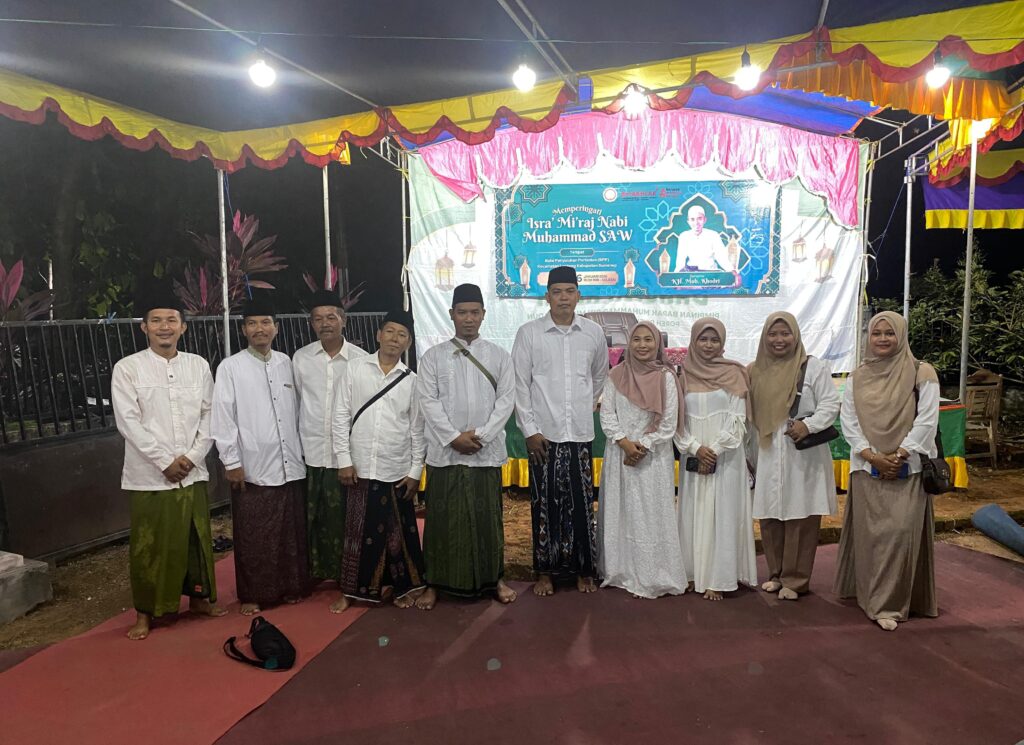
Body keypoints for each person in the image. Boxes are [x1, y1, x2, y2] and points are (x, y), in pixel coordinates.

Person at [111, 289, 226, 640]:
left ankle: (200, 600)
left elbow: (210, 414)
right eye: (157, 320)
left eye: (171, 320)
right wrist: (164, 461)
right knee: (150, 545)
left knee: (196, 539)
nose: (164, 327)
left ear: (183, 327)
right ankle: (146, 612)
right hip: (149, 476)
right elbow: (128, 422)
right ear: (144, 327)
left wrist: (191, 457)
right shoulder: (128, 368)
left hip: (192, 471)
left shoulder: (198, 365)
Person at [834, 311, 939, 631]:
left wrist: (900, 454)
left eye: (889, 333)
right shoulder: (857, 376)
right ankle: (869, 595)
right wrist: (872, 456)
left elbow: (927, 420)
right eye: (876, 333)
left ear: (901, 335)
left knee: (899, 536)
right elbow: (849, 422)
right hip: (867, 469)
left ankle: (889, 605)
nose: (882, 339)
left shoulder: (922, 372)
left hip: (909, 469)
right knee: (871, 538)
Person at [415, 284, 517, 609]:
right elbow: (427, 401)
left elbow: (507, 400)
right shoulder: (433, 357)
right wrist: (453, 437)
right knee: (441, 520)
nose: (469, 319)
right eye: (462, 312)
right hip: (445, 454)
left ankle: (494, 579)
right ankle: (434, 583)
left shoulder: (499, 356)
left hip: (485, 453)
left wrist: (482, 436)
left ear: (484, 314)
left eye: (474, 312)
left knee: (489, 520)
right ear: (452, 314)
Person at [211, 294, 311, 615]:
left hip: (290, 463)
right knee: (254, 535)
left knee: (288, 533)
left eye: (265, 322)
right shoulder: (231, 368)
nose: (259, 329)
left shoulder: (287, 364)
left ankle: (291, 587)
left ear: (276, 328)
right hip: (252, 466)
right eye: (252, 323)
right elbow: (222, 417)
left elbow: (299, 411)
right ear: (243, 330)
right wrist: (231, 461)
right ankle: (253, 594)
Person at [512, 265, 607, 596]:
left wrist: (586, 405)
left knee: (582, 504)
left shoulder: (593, 333)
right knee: (544, 506)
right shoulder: (529, 333)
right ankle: (545, 572)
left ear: (579, 295)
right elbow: (520, 384)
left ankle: (583, 570)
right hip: (543, 435)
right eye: (557, 292)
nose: (563, 298)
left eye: (569, 291)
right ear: (547, 296)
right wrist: (529, 430)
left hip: (579, 433)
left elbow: (599, 376)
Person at [332, 310, 426, 611]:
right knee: (357, 533)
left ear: (408, 342)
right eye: (390, 331)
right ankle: (350, 592)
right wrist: (344, 460)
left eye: (402, 335)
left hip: (396, 466)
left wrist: (415, 471)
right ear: (378, 335)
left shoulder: (412, 381)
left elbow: (417, 429)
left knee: (398, 534)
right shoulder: (355, 369)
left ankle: (401, 588)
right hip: (360, 465)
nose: (394, 339)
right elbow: (340, 416)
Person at [748, 312, 839, 601]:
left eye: (785, 333)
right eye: (773, 334)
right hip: (767, 451)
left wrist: (808, 425)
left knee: (801, 514)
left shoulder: (812, 367)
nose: (779, 340)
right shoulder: (755, 371)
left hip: (801, 452)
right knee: (770, 514)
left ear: (795, 336)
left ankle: (796, 580)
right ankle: (776, 574)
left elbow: (831, 403)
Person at [598, 321, 689, 598]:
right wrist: (625, 443)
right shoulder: (616, 375)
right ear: (629, 343)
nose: (642, 345)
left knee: (650, 514)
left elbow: (669, 423)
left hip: (653, 458)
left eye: (648, 339)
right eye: (636, 339)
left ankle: (653, 573)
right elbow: (607, 414)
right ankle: (620, 570)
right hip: (620, 454)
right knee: (622, 511)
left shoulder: (666, 377)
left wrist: (643, 446)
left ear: (658, 343)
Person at [292, 290, 367, 598]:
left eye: (331, 317)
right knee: (312, 516)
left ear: (343, 320)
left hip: (346, 456)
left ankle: (345, 574)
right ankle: (314, 573)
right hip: (311, 452)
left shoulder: (360, 360)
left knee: (343, 518)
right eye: (318, 319)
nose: (325, 324)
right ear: (311, 324)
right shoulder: (301, 358)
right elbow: (297, 401)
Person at [675, 317, 757, 600]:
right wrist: (695, 448)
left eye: (715, 340)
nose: (708, 345)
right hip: (694, 456)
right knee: (693, 511)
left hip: (726, 458)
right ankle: (692, 572)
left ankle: (718, 578)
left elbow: (738, 418)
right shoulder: (683, 374)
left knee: (722, 514)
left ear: (722, 343)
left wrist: (715, 450)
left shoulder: (734, 373)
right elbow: (678, 420)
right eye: (703, 339)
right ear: (693, 341)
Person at [672, 205, 733, 272]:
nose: (696, 223)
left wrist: (733, 272)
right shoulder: (684, 236)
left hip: (711, 274)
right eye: (692, 219)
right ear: (688, 222)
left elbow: (722, 258)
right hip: (692, 275)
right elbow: (680, 263)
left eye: (699, 218)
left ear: (704, 220)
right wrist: (676, 276)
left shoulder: (713, 235)